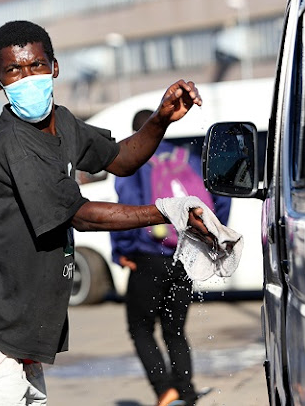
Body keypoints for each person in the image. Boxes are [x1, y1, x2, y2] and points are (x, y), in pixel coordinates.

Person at [0, 20, 220, 405]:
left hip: (16, 340)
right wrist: (169, 210)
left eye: (35, 65)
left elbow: (121, 158)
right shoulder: (12, 141)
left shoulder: (62, 123)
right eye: (13, 71)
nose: (27, 77)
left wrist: (160, 118)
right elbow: (79, 214)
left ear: (54, 66)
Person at [110, 109, 231, 406]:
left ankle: (165, 389)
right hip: (185, 257)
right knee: (175, 330)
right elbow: (220, 200)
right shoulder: (185, 158)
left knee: (140, 328)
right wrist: (210, 239)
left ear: (136, 135)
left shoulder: (136, 164)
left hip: (149, 255)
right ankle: (186, 391)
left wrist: (122, 251)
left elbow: (125, 208)